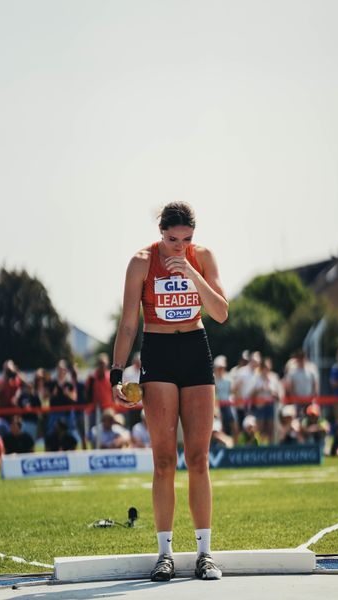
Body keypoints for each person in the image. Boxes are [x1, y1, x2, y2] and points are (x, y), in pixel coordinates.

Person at [111, 202, 228, 581]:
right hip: (158, 354)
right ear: (160, 233)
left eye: (186, 239)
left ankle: (205, 554)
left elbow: (221, 312)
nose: (179, 247)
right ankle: (164, 554)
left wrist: (192, 272)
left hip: (196, 349)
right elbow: (129, 323)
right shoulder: (141, 262)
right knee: (163, 460)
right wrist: (117, 372)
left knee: (198, 458)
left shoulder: (202, 257)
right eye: (172, 240)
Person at [213, 355, 238, 443]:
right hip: (217, 406)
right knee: (220, 427)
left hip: (228, 406)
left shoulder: (228, 379)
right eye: (219, 368)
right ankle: (226, 443)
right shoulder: (213, 379)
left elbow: (233, 392)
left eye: (222, 368)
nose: (221, 370)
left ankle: (234, 445)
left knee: (234, 425)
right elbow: (214, 394)